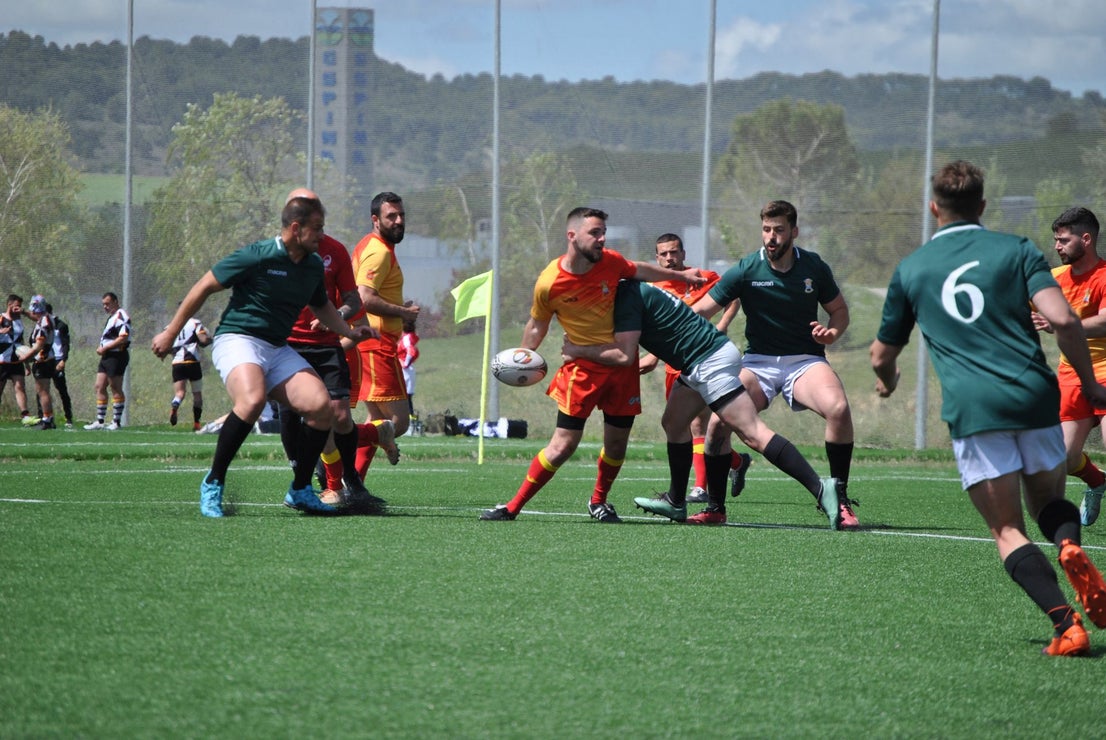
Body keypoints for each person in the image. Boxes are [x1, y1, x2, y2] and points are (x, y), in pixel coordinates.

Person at [870, 159, 1106, 656]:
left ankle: (1067, 625)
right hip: (1035, 395)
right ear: (981, 205)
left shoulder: (913, 268)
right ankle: (1069, 544)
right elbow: (1065, 321)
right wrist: (1090, 384)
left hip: (977, 410)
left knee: (1007, 529)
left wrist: (888, 384)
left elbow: (881, 355)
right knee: (1047, 505)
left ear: (933, 208)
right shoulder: (1017, 249)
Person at [150, 195, 376, 518]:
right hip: (238, 338)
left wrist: (350, 332)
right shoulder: (258, 255)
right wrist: (171, 332)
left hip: (276, 347)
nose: (321, 235)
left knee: (320, 406)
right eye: (316, 228)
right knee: (253, 400)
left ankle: (300, 489)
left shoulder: (312, 265)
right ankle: (213, 482)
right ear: (296, 228)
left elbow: (322, 306)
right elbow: (203, 286)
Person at [480, 207, 706, 523]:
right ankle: (512, 507)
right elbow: (537, 324)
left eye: (603, 233)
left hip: (622, 368)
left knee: (616, 445)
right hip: (582, 370)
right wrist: (523, 358)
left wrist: (681, 276)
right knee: (563, 445)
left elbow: (640, 270)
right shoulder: (550, 282)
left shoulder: (611, 262)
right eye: (595, 233)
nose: (602, 239)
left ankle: (599, 501)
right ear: (572, 236)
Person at [563, 279, 841, 527]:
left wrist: (577, 350)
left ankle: (820, 487)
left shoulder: (624, 296)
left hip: (709, 361)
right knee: (674, 422)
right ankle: (675, 501)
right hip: (698, 360)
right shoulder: (629, 288)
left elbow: (624, 355)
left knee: (752, 432)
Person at [691, 200, 859, 529]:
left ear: (794, 232)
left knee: (838, 409)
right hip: (758, 363)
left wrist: (832, 332)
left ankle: (839, 500)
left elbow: (839, 311)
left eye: (779, 230)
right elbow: (701, 310)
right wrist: (661, 329)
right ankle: (715, 508)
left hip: (805, 361)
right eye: (766, 229)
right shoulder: (746, 268)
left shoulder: (813, 267)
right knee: (717, 424)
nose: (771, 236)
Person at [279, 187, 385, 513]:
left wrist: (335, 317)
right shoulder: (273, 253)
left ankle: (348, 480)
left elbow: (353, 300)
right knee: (291, 423)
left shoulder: (334, 251)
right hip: (287, 348)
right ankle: (307, 483)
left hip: (326, 348)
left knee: (339, 415)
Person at [643, 233, 749, 504]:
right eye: (664, 254)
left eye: (674, 252)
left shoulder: (701, 277)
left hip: (704, 359)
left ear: (683, 253)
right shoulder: (654, 286)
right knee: (681, 427)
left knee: (698, 424)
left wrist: (722, 325)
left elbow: (733, 297)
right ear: (656, 258)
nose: (670, 258)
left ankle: (700, 488)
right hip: (673, 365)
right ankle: (736, 461)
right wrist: (653, 357)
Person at [1031, 207, 1106, 527]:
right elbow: (1020, 307)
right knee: (1063, 457)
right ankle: (1097, 482)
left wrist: (1062, 323)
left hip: (1105, 371)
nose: (1057, 246)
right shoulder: (1054, 278)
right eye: (1056, 240)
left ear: (1086, 239)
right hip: (1071, 375)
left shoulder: (1104, 276)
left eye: (1063, 240)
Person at [349, 191, 413, 475]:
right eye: (391, 216)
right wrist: (402, 312)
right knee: (399, 423)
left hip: (369, 343)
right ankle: (329, 443)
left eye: (401, 215)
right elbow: (364, 298)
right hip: (377, 345)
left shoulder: (370, 244)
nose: (399, 221)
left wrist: (399, 309)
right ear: (375, 220)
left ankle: (352, 485)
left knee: (376, 418)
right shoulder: (379, 252)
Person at [85, 291, 131, 430]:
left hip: (117, 356)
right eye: (103, 304)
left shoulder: (121, 316)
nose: (105, 307)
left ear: (115, 302)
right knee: (99, 386)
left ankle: (116, 422)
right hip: (107, 356)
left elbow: (123, 337)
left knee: (115, 387)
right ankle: (100, 421)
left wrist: (105, 348)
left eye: (108, 304)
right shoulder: (112, 317)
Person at [169, 312, 212, 431]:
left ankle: (176, 403)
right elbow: (203, 339)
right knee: (197, 394)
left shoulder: (171, 325)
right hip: (193, 362)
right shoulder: (195, 323)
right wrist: (210, 339)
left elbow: (167, 346)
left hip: (177, 363)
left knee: (180, 393)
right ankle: (197, 423)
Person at [25, 295, 57, 430]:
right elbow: (34, 317)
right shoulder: (45, 318)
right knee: (44, 390)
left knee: (42, 391)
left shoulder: (44, 322)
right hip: (47, 359)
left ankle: (47, 419)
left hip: (43, 360)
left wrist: (26, 357)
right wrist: (23, 312)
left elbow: (39, 345)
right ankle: (49, 417)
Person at [0, 294, 32, 424]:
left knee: (20, 387)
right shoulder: (1, 318)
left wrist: (27, 363)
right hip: (3, 359)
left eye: (20, 306)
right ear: (10, 304)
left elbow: (21, 343)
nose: (18, 308)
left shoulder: (18, 321)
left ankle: (25, 415)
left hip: (16, 360)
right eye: (17, 305)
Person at [44, 303, 74, 428]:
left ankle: (69, 418)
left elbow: (66, 344)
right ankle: (44, 417)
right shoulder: (41, 326)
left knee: (62, 389)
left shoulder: (61, 325)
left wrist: (63, 360)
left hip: (57, 360)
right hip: (44, 360)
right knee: (42, 389)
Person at [398, 316, 419, 419]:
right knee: (406, 396)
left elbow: (411, 351)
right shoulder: (409, 337)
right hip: (407, 370)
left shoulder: (406, 338)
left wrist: (405, 363)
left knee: (405, 396)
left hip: (405, 370)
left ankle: (409, 418)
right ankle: (409, 417)